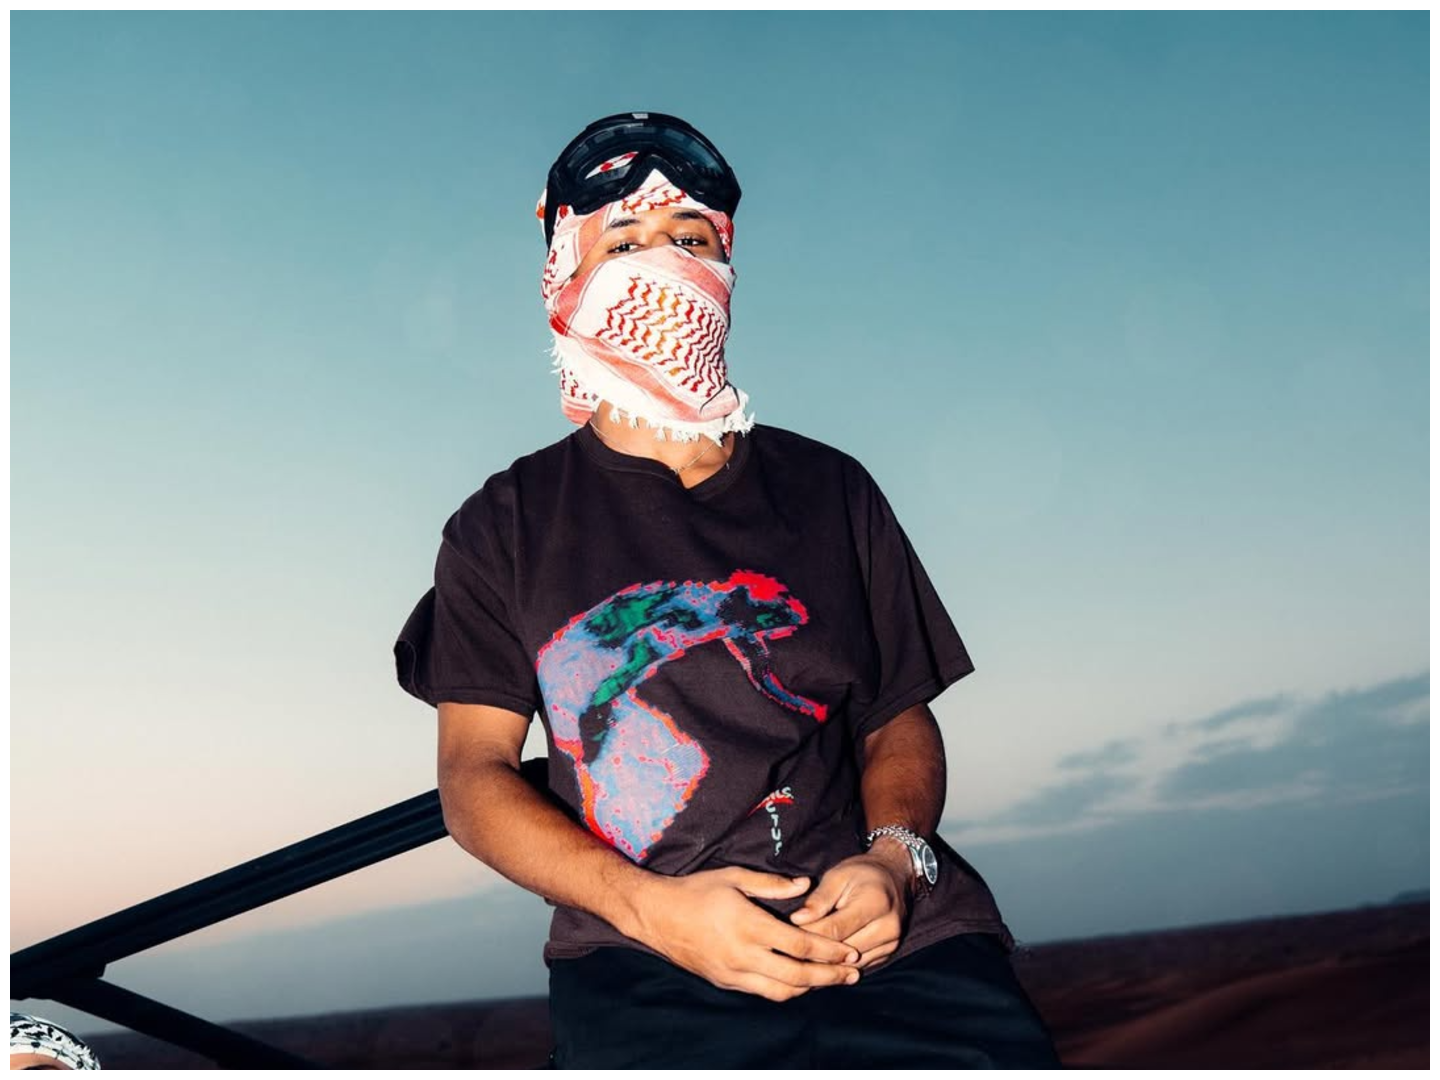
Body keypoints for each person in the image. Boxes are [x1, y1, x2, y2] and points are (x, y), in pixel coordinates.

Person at [395, 112, 1060, 1068]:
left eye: (692, 238)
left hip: (891, 941)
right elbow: (474, 778)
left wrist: (895, 860)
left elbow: (897, 718)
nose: (666, 262)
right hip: (647, 956)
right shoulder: (503, 524)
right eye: (625, 243)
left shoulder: (829, 486)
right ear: (566, 280)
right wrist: (651, 912)